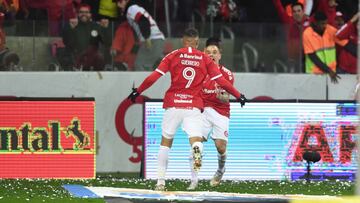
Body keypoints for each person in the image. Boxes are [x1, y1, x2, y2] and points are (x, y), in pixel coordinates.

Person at [127, 28, 246, 191]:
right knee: (196, 140)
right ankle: (197, 150)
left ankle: (160, 183)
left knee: (165, 143)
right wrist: (239, 96)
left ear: (183, 40)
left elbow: (155, 76)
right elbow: (223, 82)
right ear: (197, 43)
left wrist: (138, 90)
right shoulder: (204, 58)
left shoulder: (173, 55)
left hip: (173, 104)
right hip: (194, 105)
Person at [187, 37, 234, 190]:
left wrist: (222, 96)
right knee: (196, 143)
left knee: (220, 147)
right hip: (203, 110)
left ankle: (220, 170)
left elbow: (227, 98)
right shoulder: (198, 72)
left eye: (215, 52)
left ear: (220, 55)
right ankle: (194, 180)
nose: (211, 55)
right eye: (208, 52)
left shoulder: (227, 74)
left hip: (221, 111)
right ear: (203, 54)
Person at [116, 0, 165, 71]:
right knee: (146, 67)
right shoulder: (135, 8)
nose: (118, 5)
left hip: (152, 40)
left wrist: (147, 38)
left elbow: (143, 20)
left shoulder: (131, 9)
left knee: (140, 65)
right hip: (157, 39)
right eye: (117, 3)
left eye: (120, 2)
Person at [62, 3, 111, 71]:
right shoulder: (72, 25)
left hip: (95, 62)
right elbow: (68, 44)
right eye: (81, 12)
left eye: (86, 12)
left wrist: (105, 28)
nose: (84, 14)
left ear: (90, 14)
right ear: (77, 14)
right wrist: (71, 29)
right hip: (77, 61)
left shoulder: (96, 26)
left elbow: (107, 42)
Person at [302, 11, 345, 83]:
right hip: (314, 74)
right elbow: (312, 56)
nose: (325, 25)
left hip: (331, 74)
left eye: (326, 23)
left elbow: (345, 43)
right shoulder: (307, 34)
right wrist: (328, 70)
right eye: (322, 23)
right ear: (315, 23)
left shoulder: (330, 30)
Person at [273, 0, 309, 73]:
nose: (297, 13)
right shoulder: (288, 21)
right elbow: (278, 7)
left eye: (299, 11)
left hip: (307, 58)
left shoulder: (309, 22)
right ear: (292, 13)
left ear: (303, 12)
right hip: (292, 59)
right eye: (294, 11)